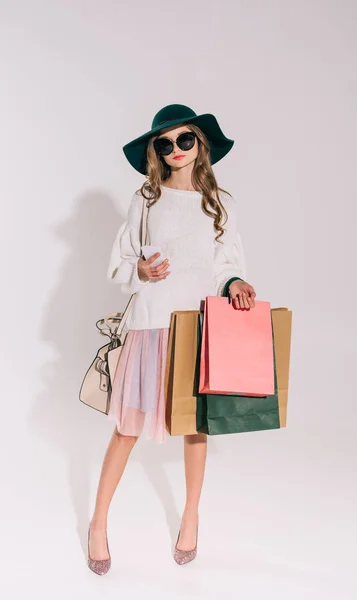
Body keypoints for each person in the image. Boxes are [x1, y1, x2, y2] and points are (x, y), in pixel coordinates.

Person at [87, 104, 256, 574]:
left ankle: (190, 517)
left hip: (197, 325)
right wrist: (138, 269)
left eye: (186, 140)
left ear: (201, 144)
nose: (176, 150)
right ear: (155, 152)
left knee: (194, 426)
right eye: (165, 143)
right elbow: (122, 259)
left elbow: (227, 262)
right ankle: (98, 522)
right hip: (150, 322)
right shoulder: (145, 198)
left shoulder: (221, 202)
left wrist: (236, 283)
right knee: (127, 429)